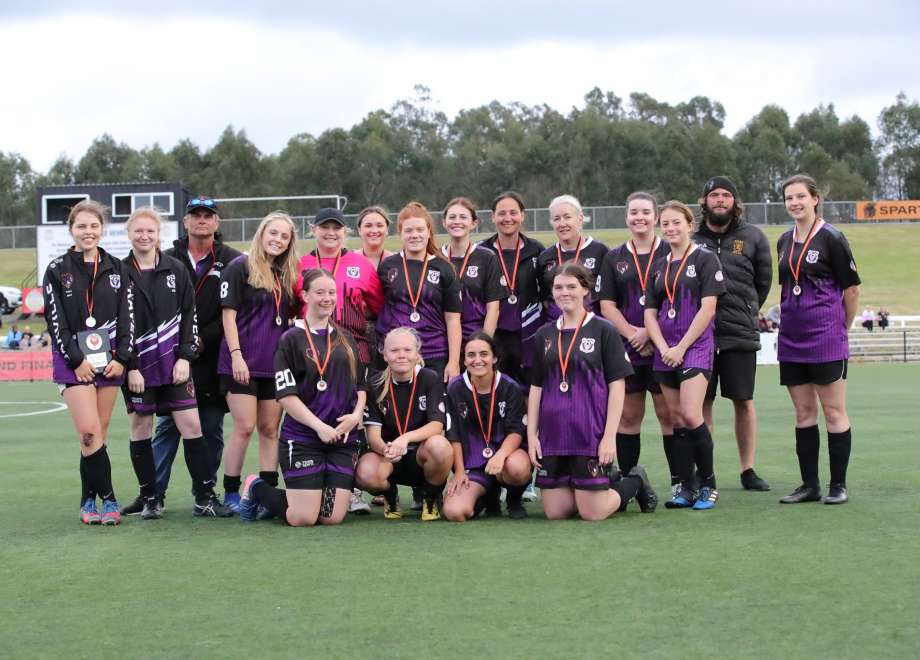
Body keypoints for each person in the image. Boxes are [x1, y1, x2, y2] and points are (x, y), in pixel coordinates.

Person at [117, 207, 230, 519]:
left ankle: (204, 497)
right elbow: (118, 325)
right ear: (129, 234)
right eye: (138, 231)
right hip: (139, 369)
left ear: (159, 234)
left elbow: (189, 317)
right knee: (141, 427)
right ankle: (151, 498)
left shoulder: (176, 269)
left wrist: (184, 357)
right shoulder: (118, 273)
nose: (144, 236)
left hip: (174, 366)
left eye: (150, 231)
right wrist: (131, 366)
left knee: (192, 425)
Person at [238, 269, 367, 526]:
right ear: (305, 296)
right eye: (320, 292)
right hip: (304, 438)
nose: (327, 298)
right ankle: (255, 487)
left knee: (331, 517)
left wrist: (355, 417)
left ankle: (308, 496)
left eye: (332, 292)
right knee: (303, 517)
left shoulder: (346, 339)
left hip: (342, 438)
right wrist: (319, 427)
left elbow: (361, 387)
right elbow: (286, 396)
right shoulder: (290, 339)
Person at [528, 263, 656, 521]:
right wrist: (532, 435)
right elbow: (536, 386)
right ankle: (597, 484)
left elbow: (617, 385)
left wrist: (609, 437)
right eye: (558, 287)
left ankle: (634, 481)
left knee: (593, 513)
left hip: (588, 432)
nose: (565, 292)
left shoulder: (603, 329)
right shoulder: (544, 335)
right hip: (553, 434)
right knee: (556, 513)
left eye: (571, 286)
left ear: (585, 290)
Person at [43, 200, 133, 525]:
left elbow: (127, 316)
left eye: (94, 225)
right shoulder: (57, 269)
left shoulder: (117, 268)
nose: (88, 231)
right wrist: (77, 359)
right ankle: (109, 499)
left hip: (109, 361)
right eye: (81, 226)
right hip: (73, 362)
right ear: (71, 230)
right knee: (88, 433)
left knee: (99, 435)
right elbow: (55, 322)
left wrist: (122, 358)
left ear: (102, 229)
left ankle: (87, 502)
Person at [153, 196, 242, 510]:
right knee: (167, 428)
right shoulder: (165, 258)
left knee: (211, 428)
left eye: (208, 215)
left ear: (217, 222)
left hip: (213, 358)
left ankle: (204, 495)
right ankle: (154, 495)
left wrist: (202, 339)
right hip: (171, 357)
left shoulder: (233, 260)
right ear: (186, 221)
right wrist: (181, 344)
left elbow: (235, 310)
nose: (202, 220)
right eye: (196, 215)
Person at [776, 174, 860, 505]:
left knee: (834, 411)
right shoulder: (783, 240)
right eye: (789, 198)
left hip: (826, 338)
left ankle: (838, 485)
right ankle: (809, 485)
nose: (794, 202)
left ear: (815, 199)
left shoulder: (832, 238)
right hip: (791, 338)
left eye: (800, 196)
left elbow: (852, 290)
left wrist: (841, 327)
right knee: (803, 412)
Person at [297, 206, 384, 515]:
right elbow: (295, 305)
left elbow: (376, 305)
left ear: (345, 232)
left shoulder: (360, 265)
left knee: (352, 418)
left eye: (336, 228)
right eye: (324, 227)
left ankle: (351, 489)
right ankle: (313, 481)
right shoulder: (302, 264)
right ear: (313, 230)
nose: (330, 233)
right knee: (315, 414)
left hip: (352, 352)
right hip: (311, 354)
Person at [644, 200, 726, 511]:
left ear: (689, 225)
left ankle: (708, 484)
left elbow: (708, 308)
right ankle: (687, 486)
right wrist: (663, 346)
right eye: (665, 223)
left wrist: (681, 347)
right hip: (665, 350)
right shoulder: (659, 265)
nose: (670, 228)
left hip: (695, 348)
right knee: (675, 419)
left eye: (676, 222)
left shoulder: (705, 259)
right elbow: (650, 312)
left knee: (692, 415)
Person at [694, 176, 773, 492]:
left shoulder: (753, 236)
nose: (720, 200)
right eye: (714, 195)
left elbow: (763, 284)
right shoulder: (691, 236)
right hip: (699, 336)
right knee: (702, 403)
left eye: (726, 195)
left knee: (743, 400)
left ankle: (747, 469)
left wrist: (744, 309)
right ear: (705, 201)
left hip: (738, 333)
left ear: (734, 201)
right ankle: (704, 471)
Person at [219, 211, 300, 512]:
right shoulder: (239, 267)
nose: (277, 240)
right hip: (241, 362)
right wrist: (237, 356)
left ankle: (267, 494)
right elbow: (228, 316)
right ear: (262, 233)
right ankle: (230, 492)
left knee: (269, 429)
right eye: (273, 233)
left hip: (274, 364)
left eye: (284, 236)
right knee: (244, 427)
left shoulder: (286, 274)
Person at [598, 192, 672, 501]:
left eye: (645, 212)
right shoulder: (614, 257)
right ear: (626, 217)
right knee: (628, 417)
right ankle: (630, 485)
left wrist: (651, 335)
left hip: (664, 347)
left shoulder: (671, 250)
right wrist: (633, 335)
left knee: (669, 416)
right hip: (628, 349)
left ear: (656, 217)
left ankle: (680, 482)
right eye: (634, 212)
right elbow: (606, 305)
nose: (639, 217)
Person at [355, 327, 453, 521]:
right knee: (365, 473)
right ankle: (390, 496)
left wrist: (405, 439)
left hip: (421, 456)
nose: (401, 355)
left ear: (417, 353)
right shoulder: (375, 384)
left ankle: (430, 498)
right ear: (384, 354)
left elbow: (436, 426)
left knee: (440, 447)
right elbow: (373, 437)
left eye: (407, 350)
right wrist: (386, 449)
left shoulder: (430, 378)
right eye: (394, 350)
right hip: (389, 457)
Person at [442, 331, 533, 521]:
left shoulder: (510, 387)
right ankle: (486, 496)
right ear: (464, 360)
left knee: (517, 467)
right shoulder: (455, 388)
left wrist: (501, 454)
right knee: (454, 512)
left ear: (494, 358)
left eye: (484, 354)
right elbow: (453, 434)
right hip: (473, 463)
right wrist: (459, 472)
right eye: (471, 355)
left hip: (505, 459)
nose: (477, 360)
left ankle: (514, 499)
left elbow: (516, 431)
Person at [375, 201, 462, 382]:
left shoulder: (445, 268)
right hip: (399, 354)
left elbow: (453, 319)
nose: (415, 235)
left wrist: (453, 362)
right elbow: (380, 309)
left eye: (420, 230)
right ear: (400, 233)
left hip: (434, 352)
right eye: (408, 230)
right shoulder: (387, 266)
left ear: (429, 232)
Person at [478, 191, 545, 389]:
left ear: (522, 215)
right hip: (493, 334)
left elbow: (547, 295)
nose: (508, 218)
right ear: (493, 217)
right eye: (501, 213)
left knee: (529, 393)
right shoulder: (481, 252)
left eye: (513, 213)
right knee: (495, 391)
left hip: (528, 335)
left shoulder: (537, 250)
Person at [440, 197, 507, 339]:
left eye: (463, 217)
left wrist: (483, 342)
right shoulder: (435, 257)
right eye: (452, 217)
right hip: (441, 339)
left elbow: (493, 308)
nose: (457, 221)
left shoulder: (487, 257)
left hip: (475, 337)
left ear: (473, 223)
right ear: (444, 222)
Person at [537, 194, 608, 323]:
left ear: (580, 218)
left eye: (567, 217)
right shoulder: (545, 257)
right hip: (556, 327)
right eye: (556, 219)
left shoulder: (601, 252)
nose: (562, 223)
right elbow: (545, 298)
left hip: (591, 327)